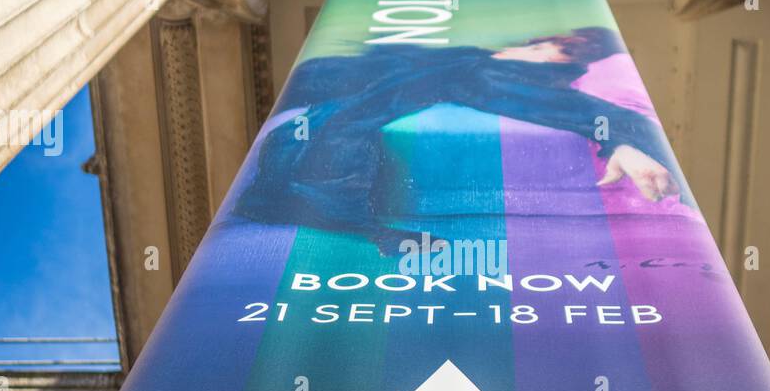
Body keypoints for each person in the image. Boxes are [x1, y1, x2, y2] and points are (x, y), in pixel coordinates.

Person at [236, 26, 675, 253]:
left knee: (333, 135)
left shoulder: (517, 74)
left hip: (366, 105)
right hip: (339, 84)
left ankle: (339, 215)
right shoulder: (480, 59)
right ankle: (332, 211)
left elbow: (567, 108)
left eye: (557, 51)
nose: (541, 50)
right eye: (546, 44)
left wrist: (621, 142)